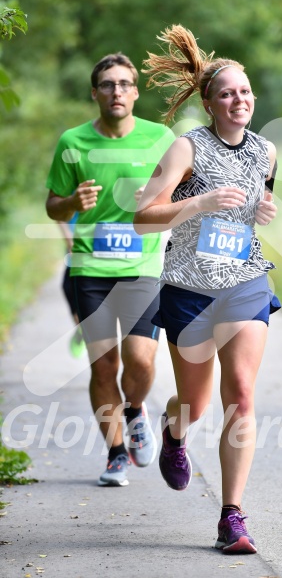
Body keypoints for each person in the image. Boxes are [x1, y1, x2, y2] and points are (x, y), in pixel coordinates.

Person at [134, 25, 280, 554]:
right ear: (210, 103)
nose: (238, 99)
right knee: (194, 406)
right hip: (190, 288)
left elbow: (252, 212)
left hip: (244, 281)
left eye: (244, 91)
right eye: (227, 93)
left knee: (240, 392)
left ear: (253, 98)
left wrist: (264, 211)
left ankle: (232, 516)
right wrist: (195, 204)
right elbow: (143, 218)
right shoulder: (186, 147)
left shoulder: (266, 152)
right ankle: (175, 432)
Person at [45, 52, 175, 487]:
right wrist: (70, 204)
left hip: (143, 266)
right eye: (107, 84)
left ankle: (136, 409)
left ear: (136, 93)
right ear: (95, 92)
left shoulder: (161, 138)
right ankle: (116, 452)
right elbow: (52, 206)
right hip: (91, 269)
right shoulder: (73, 142)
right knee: (104, 367)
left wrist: (156, 196)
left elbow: (184, 198)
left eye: (124, 84)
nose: (116, 91)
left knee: (139, 360)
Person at [57, 216, 86, 359]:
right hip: (74, 248)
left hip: (94, 247)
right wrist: (69, 239)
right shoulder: (70, 193)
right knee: (68, 287)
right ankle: (81, 326)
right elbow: (59, 216)